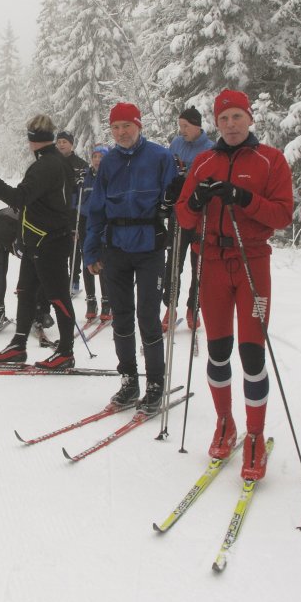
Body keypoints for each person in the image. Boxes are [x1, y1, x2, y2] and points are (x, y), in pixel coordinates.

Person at [174, 89, 293, 481]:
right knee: (219, 349)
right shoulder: (204, 160)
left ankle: (255, 436)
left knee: (252, 353)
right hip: (210, 261)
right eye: (224, 119)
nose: (230, 125)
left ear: (250, 118)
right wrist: (194, 204)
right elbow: (183, 217)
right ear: (216, 123)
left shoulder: (270, 159)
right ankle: (225, 422)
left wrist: (242, 197)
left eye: (237, 117)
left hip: (251, 262)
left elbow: (282, 215)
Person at [83, 103, 178, 412]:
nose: (121, 132)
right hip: (116, 249)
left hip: (149, 246)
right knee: (121, 317)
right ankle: (128, 380)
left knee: (148, 317)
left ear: (139, 125)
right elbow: (96, 209)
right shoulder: (108, 164)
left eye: (127, 125)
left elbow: (177, 200)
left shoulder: (160, 157)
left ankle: (154, 382)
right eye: (116, 127)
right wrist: (91, 249)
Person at [0, 115, 76, 369]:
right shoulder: (54, 162)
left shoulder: (46, 165)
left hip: (50, 242)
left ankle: (66, 352)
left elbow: (18, 198)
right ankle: (18, 346)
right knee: (25, 293)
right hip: (37, 241)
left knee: (58, 296)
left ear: (32, 139)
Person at [162, 105, 214, 331]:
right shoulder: (176, 143)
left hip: (201, 216)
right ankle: (170, 306)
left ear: (197, 126)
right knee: (173, 262)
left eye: (186, 126)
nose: (182, 130)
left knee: (198, 264)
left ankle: (194, 307)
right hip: (178, 213)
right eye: (180, 126)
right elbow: (168, 171)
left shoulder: (210, 148)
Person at [56, 130, 91, 297]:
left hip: (75, 211)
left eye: (65, 141)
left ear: (71, 144)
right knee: (58, 246)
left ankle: (74, 280)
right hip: (56, 210)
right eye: (59, 142)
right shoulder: (52, 161)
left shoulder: (80, 164)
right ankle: (58, 279)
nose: (61, 144)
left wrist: (80, 184)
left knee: (74, 246)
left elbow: (87, 188)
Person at [79, 144, 112, 322]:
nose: (98, 160)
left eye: (101, 156)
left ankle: (107, 301)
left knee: (103, 260)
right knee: (87, 260)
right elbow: (75, 202)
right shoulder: (86, 176)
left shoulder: (110, 175)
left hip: (104, 221)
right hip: (86, 220)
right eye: (95, 156)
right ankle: (91, 300)